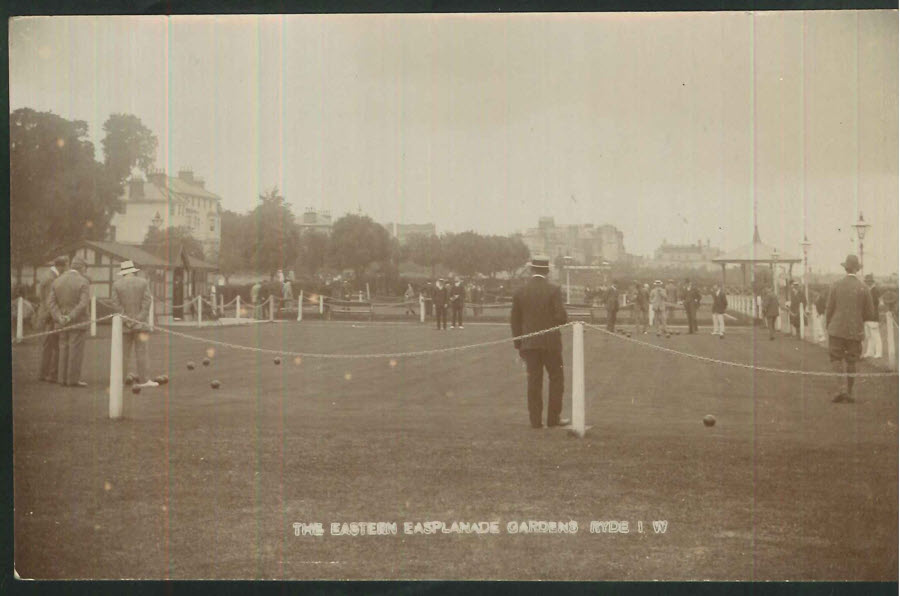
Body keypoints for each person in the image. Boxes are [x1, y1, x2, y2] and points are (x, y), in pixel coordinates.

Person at [510, 256, 569, 429]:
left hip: (529, 343)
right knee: (556, 379)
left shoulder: (520, 291)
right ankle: (553, 419)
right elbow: (561, 317)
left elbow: (514, 321)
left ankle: (535, 421)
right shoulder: (553, 290)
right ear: (547, 271)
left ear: (531, 270)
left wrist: (518, 344)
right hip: (550, 342)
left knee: (534, 381)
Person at [826, 255, 875, 403]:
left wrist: (829, 324)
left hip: (836, 329)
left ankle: (840, 390)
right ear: (857, 268)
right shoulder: (864, 288)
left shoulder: (835, 285)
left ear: (845, 268)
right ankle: (849, 392)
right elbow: (870, 313)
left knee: (836, 358)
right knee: (852, 360)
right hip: (855, 330)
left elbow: (829, 309)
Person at [110, 260, 158, 388]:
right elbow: (147, 302)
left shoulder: (116, 284)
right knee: (142, 352)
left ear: (123, 273)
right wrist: (139, 319)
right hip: (140, 324)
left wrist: (127, 320)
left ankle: (119, 380)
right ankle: (144, 380)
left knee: (123, 354)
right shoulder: (143, 282)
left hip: (125, 325)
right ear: (133, 271)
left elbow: (115, 305)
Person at [48, 256, 90, 387]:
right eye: (85, 268)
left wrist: (59, 316)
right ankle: (72, 380)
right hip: (77, 321)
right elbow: (83, 303)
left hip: (61, 322)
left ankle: (62, 379)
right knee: (75, 351)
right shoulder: (83, 281)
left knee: (63, 349)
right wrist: (70, 317)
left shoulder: (57, 280)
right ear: (82, 267)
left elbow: (50, 302)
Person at [36, 256, 69, 382]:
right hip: (49, 317)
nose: (67, 268)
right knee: (51, 346)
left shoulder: (48, 276)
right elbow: (50, 302)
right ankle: (48, 374)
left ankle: (45, 373)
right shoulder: (51, 279)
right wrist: (56, 317)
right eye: (67, 265)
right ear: (62, 266)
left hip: (46, 315)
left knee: (49, 345)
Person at [862, 274, 882, 359]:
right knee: (869, 336)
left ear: (872, 282)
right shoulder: (869, 290)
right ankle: (870, 352)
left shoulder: (875, 291)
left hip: (873, 317)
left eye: (868, 281)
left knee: (876, 336)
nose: (867, 283)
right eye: (866, 281)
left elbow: (875, 304)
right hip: (868, 317)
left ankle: (878, 353)